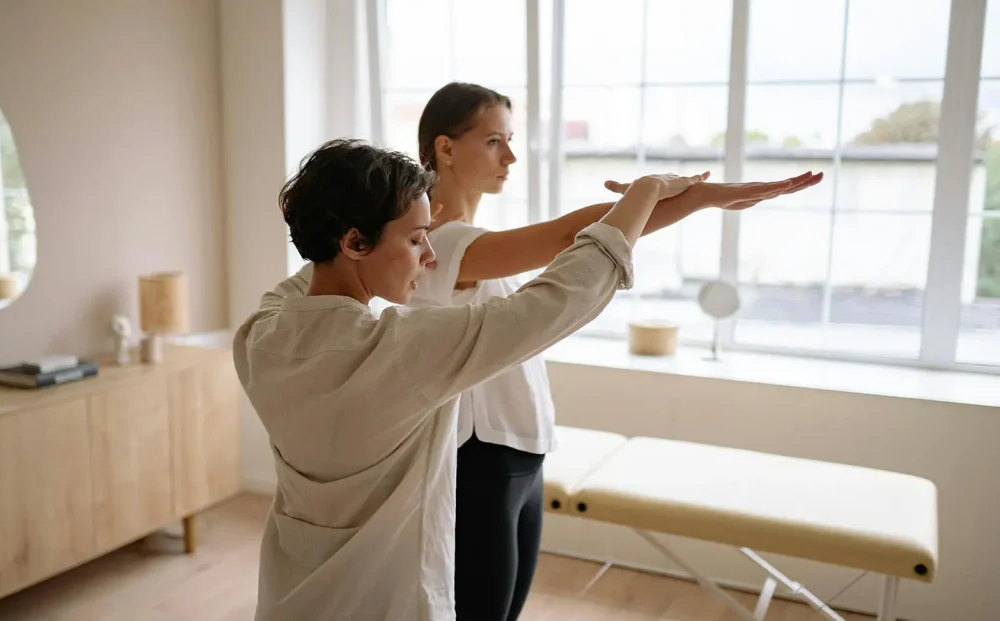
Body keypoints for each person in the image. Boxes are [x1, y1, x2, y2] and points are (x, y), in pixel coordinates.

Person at [270, 83, 824, 621]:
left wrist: (664, 197)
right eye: (494, 141)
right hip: (482, 453)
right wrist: (689, 198)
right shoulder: (448, 244)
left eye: (510, 140)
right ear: (445, 147)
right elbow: (570, 241)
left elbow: (580, 234)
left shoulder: (436, 246)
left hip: (521, 445)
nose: (510, 157)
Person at [234, 137, 708, 621]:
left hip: (291, 600)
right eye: (416, 240)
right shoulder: (404, 351)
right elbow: (556, 300)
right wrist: (644, 192)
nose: (430, 257)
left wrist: (383, 222)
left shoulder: (258, 337)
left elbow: (309, 278)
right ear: (355, 242)